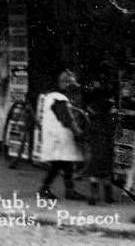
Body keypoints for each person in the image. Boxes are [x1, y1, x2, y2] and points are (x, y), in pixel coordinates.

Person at [37, 70, 86, 201]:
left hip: (55, 137)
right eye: (69, 82)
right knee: (59, 165)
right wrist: (78, 132)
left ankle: (67, 189)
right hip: (59, 138)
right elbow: (66, 119)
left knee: (65, 164)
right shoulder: (59, 98)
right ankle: (46, 189)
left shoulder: (50, 96)